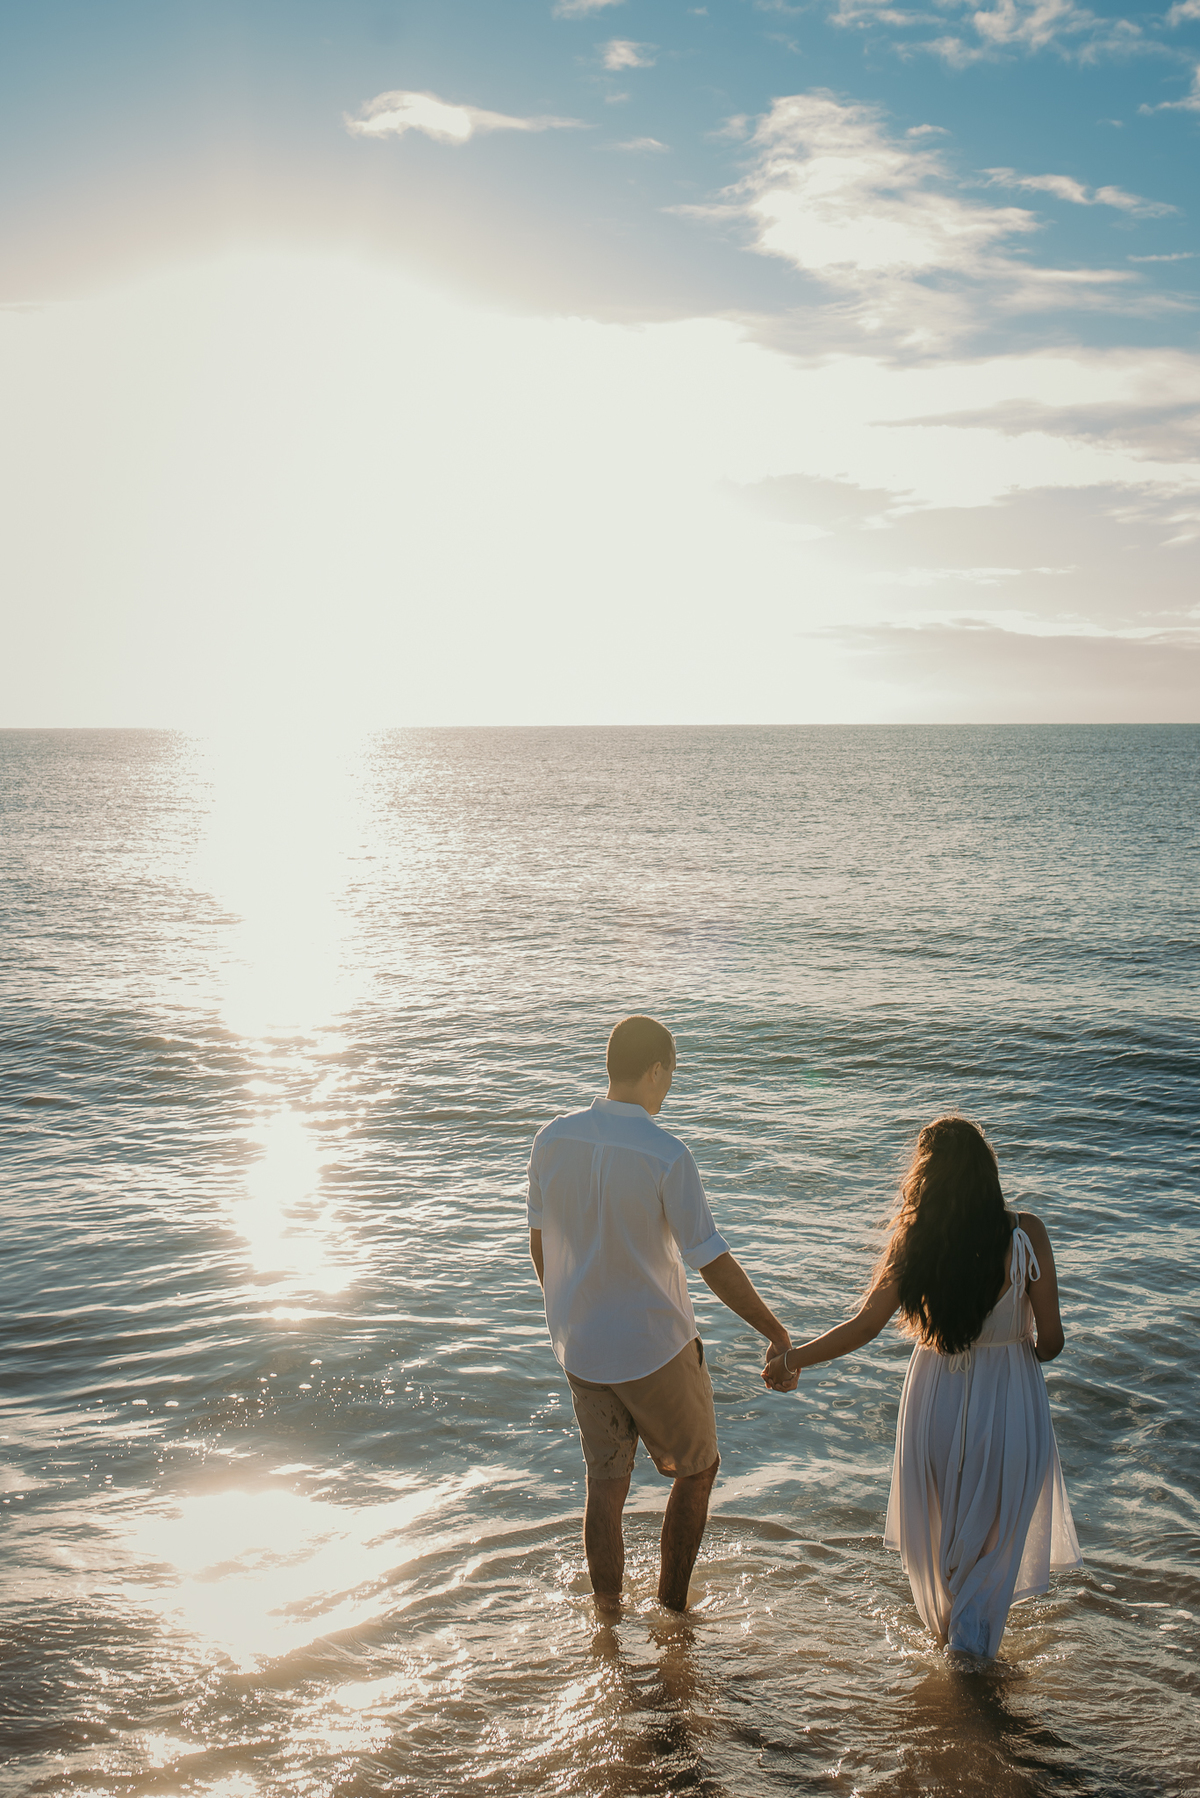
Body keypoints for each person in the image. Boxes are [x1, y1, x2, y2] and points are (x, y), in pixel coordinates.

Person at [764, 1115, 1081, 1658]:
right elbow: (1051, 1342)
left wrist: (792, 1359)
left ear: (924, 1178)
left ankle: (954, 1650)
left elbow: (865, 1326)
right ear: (987, 1171)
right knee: (993, 1541)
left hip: (934, 1393)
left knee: (943, 1540)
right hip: (1008, 1398)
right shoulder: (1026, 1233)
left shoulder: (915, 1240)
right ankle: (970, 1663)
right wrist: (1016, 1331)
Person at [528, 1014, 797, 1613]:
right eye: (668, 1076)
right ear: (655, 1070)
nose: (668, 1088)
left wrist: (567, 1313)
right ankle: (673, 1614)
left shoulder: (552, 1139)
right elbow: (711, 1261)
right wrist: (776, 1331)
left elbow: (539, 1243)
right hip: (654, 1347)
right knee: (697, 1470)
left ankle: (608, 1620)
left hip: (582, 1350)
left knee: (606, 1487)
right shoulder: (666, 1153)